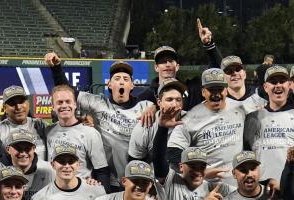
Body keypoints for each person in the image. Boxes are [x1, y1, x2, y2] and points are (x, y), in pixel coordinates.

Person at [45, 53, 153, 192]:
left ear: (132, 85)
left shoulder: (145, 107)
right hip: (110, 179)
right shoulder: (98, 103)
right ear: (109, 84)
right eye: (117, 78)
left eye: (126, 79)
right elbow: (68, 93)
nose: (121, 82)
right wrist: (56, 69)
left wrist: (155, 107)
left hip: (138, 178)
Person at [244, 65, 294, 183]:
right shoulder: (253, 117)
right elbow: (246, 154)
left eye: (282, 81)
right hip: (259, 190)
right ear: (265, 87)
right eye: (273, 82)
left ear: (289, 85)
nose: (278, 85)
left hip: (291, 190)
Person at [167, 68, 250, 171]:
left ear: (226, 90)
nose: (216, 94)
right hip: (205, 184)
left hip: (237, 183)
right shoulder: (191, 117)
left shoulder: (241, 108)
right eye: (211, 90)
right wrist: (199, 172)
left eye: (220, 89)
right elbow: (173, 151)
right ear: (203, 92)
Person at [45, 84, 109, 186]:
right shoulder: (48, 130)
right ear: (53, 106)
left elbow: (102, 170)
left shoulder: (90, 133)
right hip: (55, 192)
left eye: (68, 101)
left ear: (75, 104)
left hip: (82, 192)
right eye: (59, 102)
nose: (64, 105)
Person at [128, 78, 187, 163]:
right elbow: (135, 165)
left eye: (178, 100)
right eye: (169, 100)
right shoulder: (144, 127)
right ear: (159, 102)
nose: (174, 104)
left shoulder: (191, 122)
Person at [0, 129, 55, 197]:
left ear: (33, 149)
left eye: (27, 148)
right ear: (8, 149)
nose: (23, 153)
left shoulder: (48, 170)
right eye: (18, 148)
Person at [0, 85, 47, 161]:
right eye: (12, 103)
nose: (18, 107)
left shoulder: (41, 125)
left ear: (28, 103)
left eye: (21, 102)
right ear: (5, 108)